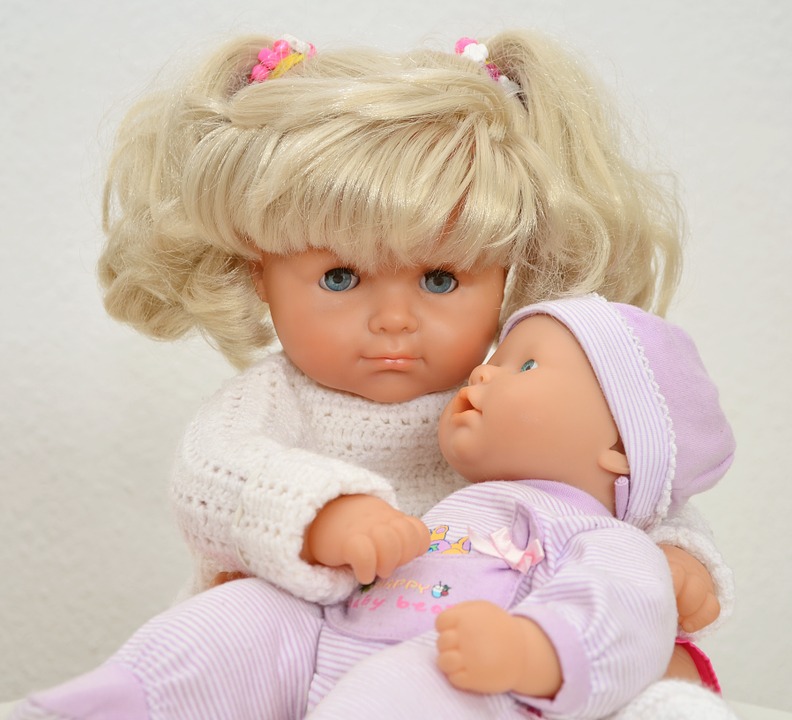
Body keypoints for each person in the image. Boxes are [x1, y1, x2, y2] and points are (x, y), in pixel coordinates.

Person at [12, 31, 731, 720]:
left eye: (440, 279)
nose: (394, 320)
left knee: (643, 662)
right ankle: (132, 702)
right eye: (340, 277)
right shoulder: (279, 400)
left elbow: (623, 479)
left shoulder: (505, 401)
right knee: (227, 626)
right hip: (301, 632)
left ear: (507, 276)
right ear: (259, 274)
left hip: (465, 649)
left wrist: (673, 554)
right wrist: (323, 516)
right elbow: (212, 477)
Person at [309, 294, 737, 719]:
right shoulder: (457, 502)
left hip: (456, 679)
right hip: (338, 640)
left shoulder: (604, 536)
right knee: (269, 616)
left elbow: (629, 615)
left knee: (398, 683)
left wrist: (532, 652)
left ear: (621, 446)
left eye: (527, 365)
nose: (480, 373)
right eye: (495, 360)